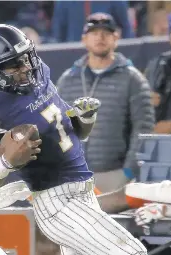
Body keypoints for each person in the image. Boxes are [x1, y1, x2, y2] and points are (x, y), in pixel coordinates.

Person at [0, 24, 171, 255]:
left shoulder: (41, 76)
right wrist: (6, 163)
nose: (24, 68)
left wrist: (83, 120)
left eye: (25, 58)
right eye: (12, 65)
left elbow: (71, 135)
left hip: (83, 193)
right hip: (57, 203)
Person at [56, 13, 154, 192]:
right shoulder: (68, 79)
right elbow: (57, 126)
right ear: (84, 39)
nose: (100, 37)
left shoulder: (133, 79)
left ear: (116, 38)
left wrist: (128, 171)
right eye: (94, 32)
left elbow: (143, 128)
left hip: (115, 174)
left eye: (106, 33)